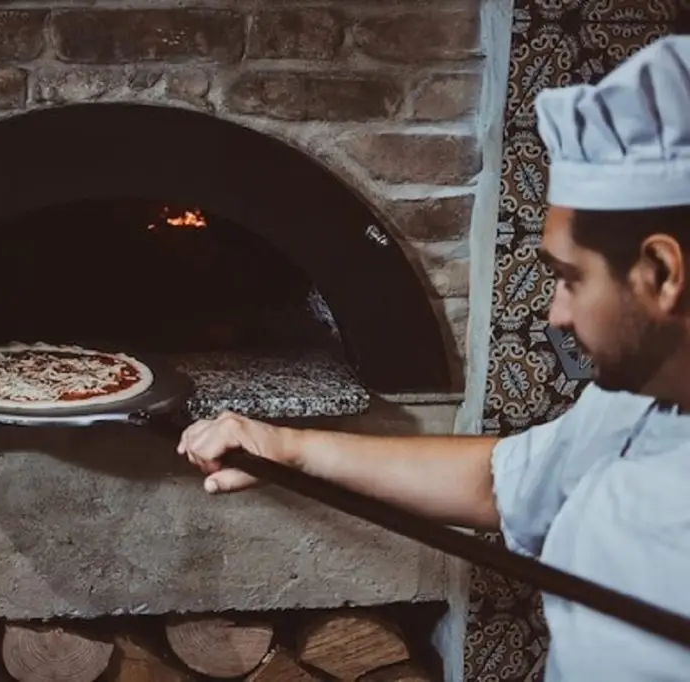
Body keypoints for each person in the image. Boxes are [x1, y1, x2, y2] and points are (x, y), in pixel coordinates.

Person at [177, 35, 690, 681]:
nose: (557, 314)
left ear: (662, 272)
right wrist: (289, 447)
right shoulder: (640, 401)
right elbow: (502, 484)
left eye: (573, 278)